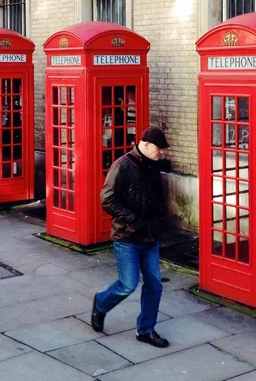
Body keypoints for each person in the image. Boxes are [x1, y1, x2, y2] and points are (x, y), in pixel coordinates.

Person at [91, 126, 170, 348]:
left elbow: (155, 199)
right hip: (127, 237)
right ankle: (101, 303)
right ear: (144, 145)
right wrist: (133, 219)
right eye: (158, 148)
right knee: (128, 284)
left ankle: (146, 330)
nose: (161, 153)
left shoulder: (153, 165)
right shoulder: (122, 165)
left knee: (154, 284)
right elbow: (107, 199)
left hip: (150, 236)